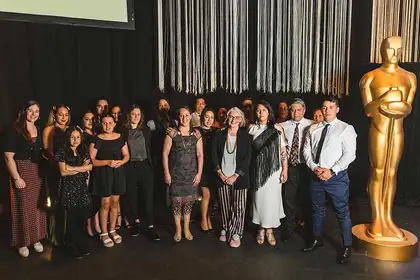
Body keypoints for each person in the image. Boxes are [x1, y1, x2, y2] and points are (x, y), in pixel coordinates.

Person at [360, 36, 417, 240]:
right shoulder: (371, 77)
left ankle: (388, 217)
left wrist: (399, 106)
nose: (395, 53)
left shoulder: (410, 77)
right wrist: (384, 99)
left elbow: (408, 107)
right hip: (379, 130)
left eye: (399, 49)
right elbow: (368, 110)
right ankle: (377, 219)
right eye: (391, 49)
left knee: (392, 173)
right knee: (378, 171)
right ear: (382, 50)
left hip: (397, 130)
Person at [302, 97, 357, 264]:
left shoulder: (346, 129)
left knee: (342, 211)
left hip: (336, 178)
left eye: (331, 107)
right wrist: (314, 168)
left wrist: (331, 171)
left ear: (337, 109)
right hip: (316, 175)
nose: (327, 110)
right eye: (324, 107)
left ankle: (347, 246)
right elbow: (306, 151)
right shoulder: (313, 129)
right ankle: (317, 239)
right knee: (317, 209)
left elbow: (349, 155)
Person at [4, 101, 47, 257]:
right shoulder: (15, 130)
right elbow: (8, 157)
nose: (33, 114)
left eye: (36, 111)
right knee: (23, 208)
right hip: (21, 171)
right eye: (30, 110)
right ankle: (23, 242)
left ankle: (36, 239)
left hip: (37, 172)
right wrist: (16, 178)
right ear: (24, 112)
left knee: (37, 207)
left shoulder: (39, 130)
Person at [212, 107, 252, 248]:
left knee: (239, 207)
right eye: (231, 117)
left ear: (241, 120)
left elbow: (247, 158)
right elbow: (213, 156)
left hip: (239, 177)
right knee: (225, 205)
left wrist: (235, 175)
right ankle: (226, 228)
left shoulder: (246, 136)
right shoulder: (219, 135)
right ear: (227, 118)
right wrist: (220, 173)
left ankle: (236, 233)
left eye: (236, 117)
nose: (233, 120)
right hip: (222, 176)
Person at [249, 101, 288, 246]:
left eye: (263, 110)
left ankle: (270, 230)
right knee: (259, 200)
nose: (260, 113)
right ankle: (260, 228)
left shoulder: (277, 128)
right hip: (258, 170)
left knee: (272, 200)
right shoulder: (252, 129)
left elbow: (283, 151)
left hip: (274, 171)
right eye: (258, 111)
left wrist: (285, 169)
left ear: (269, 112)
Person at [162, 106, 204, 242]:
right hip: (175, 174)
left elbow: (200, 155)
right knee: (176, 203)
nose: (184, 118)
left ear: (191, 117)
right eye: (181, 115)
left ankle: (186, 228)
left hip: (191, 174)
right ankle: (178, 229)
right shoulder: (172, 133)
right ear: (178, 117)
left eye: (187, 115)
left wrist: (199, 173)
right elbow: (165, 154)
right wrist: (166, 173)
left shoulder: (197, 134)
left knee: (187, 203)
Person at [121, 105, 160, 241]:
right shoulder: (123, 131)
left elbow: (154, 146)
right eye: (133, 114)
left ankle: (150, 226)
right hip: (130, 166)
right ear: (129, 115)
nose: (136, 116)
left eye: (138, 114)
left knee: (148, 196)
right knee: (132, 196)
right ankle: (135, 223)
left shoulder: (146, 130)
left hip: (145, 165)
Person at [90, 115, 129, 248]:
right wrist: (107, 162)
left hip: (117, 172)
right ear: (101, 124)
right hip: (103, 174)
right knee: (105, 204)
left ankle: (113, 230)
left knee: (114, 203)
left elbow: (127, 155)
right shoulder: (97, 138)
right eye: (105, 123)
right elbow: (92, 160)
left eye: (110, 123)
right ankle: (104, 233)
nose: (107, 125)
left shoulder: (119, 137)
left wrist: (121, 162)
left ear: (114, 124)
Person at [55, 126, 92, 259]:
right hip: (69, 188)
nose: (75, 140)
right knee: (72, 218)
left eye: (78, 137)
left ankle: (80, 242)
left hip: (81, 187)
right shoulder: (62, 151)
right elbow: (63, 171)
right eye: (72, 137)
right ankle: (71, 244)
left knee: (81, 217)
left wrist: (72, 168)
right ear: (67, 138)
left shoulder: (83, 149)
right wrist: (81, 168)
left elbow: (90, 166)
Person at [279, 98, 313, 241]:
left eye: (299, 110)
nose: (295, 112)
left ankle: (308, 230)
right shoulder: (282, 125)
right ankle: (289, 229)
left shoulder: (313, 124)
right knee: (289, 199)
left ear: (304, 111)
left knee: (306, 199)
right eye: (292, 109)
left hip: (306, 167)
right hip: (291, 167)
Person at [42, 104, 71, 246]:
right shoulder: (49, 129)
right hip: (54, 171)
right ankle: (55, 237)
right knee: (55, 203)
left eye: (66, 114)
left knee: (66, 203)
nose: (64, 117)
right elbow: (48, 152)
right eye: (61, 114)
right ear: (55, 115)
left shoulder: (70, 129)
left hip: (68, 171)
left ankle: (66, 235)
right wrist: (61, 165)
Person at [195, 108, 217, 234]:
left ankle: (208, 219)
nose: (209, 120)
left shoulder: (215, 132)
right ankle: (203, 221)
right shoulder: (196, 131)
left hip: (212, 167)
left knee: (212, 196)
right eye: (207, 117)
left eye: (211, 118)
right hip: (200, 166)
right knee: (206, 195)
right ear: (202, 117)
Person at [80, 110, 101, 237]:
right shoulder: (81, 135)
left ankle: (97, 223)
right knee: (87, 197)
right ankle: (88, 224)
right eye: (87, 119)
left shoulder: (97, 134)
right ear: (82, 120)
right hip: (87, 168)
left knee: (96, 196)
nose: (90, 122)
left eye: (92, 119)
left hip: (97, 168)